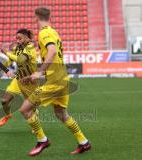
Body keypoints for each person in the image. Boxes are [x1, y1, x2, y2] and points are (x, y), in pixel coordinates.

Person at [19, 7, 91, 156]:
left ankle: (42, 140)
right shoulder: (53, 32)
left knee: (25, 109)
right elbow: (52, 56)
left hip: (55, 82)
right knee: (60, 113)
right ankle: (84, 142)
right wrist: (36, 73)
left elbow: (51, 51)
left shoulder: (44, 33)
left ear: (36, 17)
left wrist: (39, 72)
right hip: (62, 78)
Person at [0, 29, 38, 127]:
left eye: (20, 38)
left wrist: (6, 52)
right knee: (4, 101)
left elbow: (20, 59)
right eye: (16, 38)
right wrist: (0, 69)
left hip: (30, 81)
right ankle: (8, 115)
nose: (17, 41)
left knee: (30, 109)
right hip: (18, 80)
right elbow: (10, 59)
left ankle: (36, 124)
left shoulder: (31, 49)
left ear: (27, 38)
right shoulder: (18, 47)